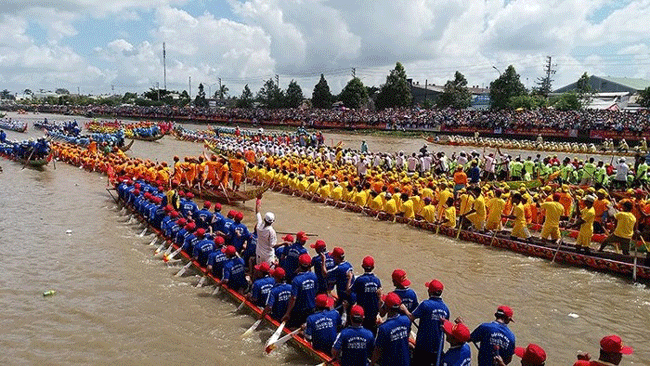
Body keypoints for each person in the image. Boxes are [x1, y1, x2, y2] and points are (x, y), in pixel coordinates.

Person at [401, 279, 450, 366]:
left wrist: (404, 309)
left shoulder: (425, 304)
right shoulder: (446, 309)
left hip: (423, 346)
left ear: (429, 291)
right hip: (438, 348)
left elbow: (411, 318)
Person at [372, 292, 411, 366]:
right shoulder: (406, 320)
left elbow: (378, 350)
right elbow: (406, 337)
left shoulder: (383, 328)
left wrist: (372, 363)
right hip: (405, 361)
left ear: (386, 307)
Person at [282, 253, 318, 327]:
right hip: (312, 308)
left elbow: (293, 298)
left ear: (299, 264)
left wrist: (287, 313)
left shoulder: (296, 280)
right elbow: (315, 291)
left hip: (299, 310)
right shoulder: (314, 276)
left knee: (292, 326)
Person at [351, 256, 382, 334]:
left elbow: (351, 292)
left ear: (362, 266)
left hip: (362, 314)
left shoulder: (359, 280)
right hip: (373, 315)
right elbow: (379, 296)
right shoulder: (377, 280)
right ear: (373, 267)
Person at [255, 196, 277, 264]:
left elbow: (257, 212)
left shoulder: (259, 226)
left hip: (259, 253)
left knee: (259, 269)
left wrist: (258, 200)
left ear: (265, 219)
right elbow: (272, 245)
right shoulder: (271, 231)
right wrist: (284, 243)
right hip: (268, 255)